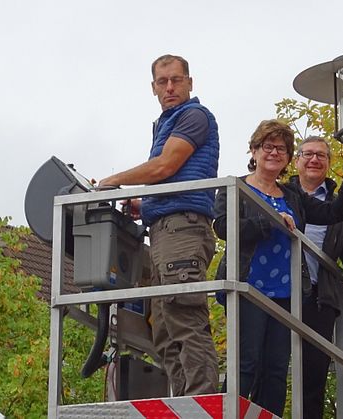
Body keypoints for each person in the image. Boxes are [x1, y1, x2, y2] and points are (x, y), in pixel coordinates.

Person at [212, 120, 343, 416]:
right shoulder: (235, 187)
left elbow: (334, 212)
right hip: (248, 287)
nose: (274, 152)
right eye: (267, 146)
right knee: (247, 362)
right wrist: (270, 220)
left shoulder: (293, 196)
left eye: (281, 148)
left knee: (277, 370)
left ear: (287, 157)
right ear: (254, 151)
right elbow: (222, 226)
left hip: (285, 293)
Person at [97, 54, 219, 396]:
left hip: (183, 231)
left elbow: (165, 166)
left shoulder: (193, 116)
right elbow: (171, 176)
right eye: (162, 82)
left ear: (190, 83)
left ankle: (201, 401)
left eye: (176, 80)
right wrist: (145, 204)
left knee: (185, 317)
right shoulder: (169, 122)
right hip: (167, 229)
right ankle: (182, 401)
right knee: (164, 329)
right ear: (153, 88)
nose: (170, 87)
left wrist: (114, 180)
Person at [286, 136, 343, 419]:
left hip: (319, 296)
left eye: (321, 156)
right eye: (308, 154)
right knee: (271, 364)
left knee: (314, 374)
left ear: (328, 164)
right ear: (297, 160)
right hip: (282, 290)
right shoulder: (281, 194)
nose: (314, 160)